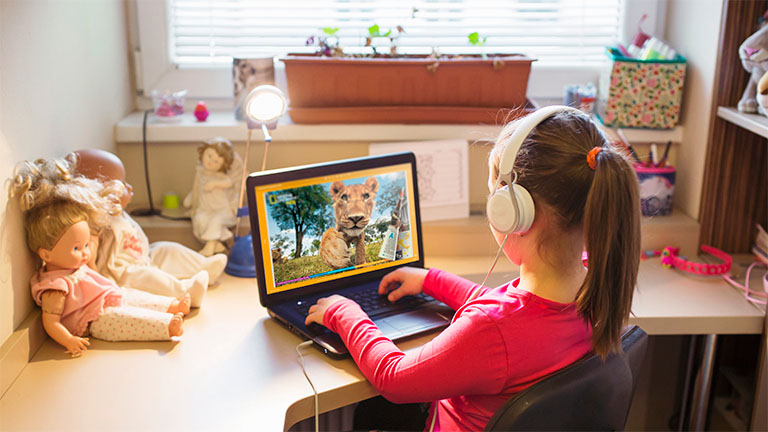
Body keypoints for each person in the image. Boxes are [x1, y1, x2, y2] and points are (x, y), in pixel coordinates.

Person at [305, 107, 641, 431]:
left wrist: (344, 312)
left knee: (375, 411)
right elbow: (507, 313)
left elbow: (393, 377)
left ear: (512, 213)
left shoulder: (489, 331)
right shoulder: (595, 286)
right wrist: (431, 280)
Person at [10, 157, 189, 358]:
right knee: (126, 320)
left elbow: (93, 277)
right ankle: (165, 327)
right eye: (77, 248)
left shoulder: (75, 267)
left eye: (85, 245)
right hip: (93, 320)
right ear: (46, 254)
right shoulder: (56, 286)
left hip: (105, 297)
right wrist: (68, 339)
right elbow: (51, 321)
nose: (85, 252)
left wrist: (91, 259)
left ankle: (171, 306)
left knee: (130, 296)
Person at [70, 149, 227, 308]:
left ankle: (204, 266)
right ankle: (185, 292)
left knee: (166, 249)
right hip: (123, 273)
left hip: (142, 258)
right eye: (123, 184)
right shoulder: (96, 224)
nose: (130, 187)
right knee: (150, 278)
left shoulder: (120, 214)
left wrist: (145, 255)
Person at [183, 137, 240, 257]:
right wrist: (191, 204)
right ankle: (218, 243)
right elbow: (196, 190)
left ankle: (209, 247)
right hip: (205, 209)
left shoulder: (221, 177)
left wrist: (215, 184)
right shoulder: (200, 173)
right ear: (203, 152)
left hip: (223, 211)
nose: (210, 162)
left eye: (216, 162)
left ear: (223, 165)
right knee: (199, 220)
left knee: (216, 221)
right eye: (209, 156)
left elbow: (229, 183)